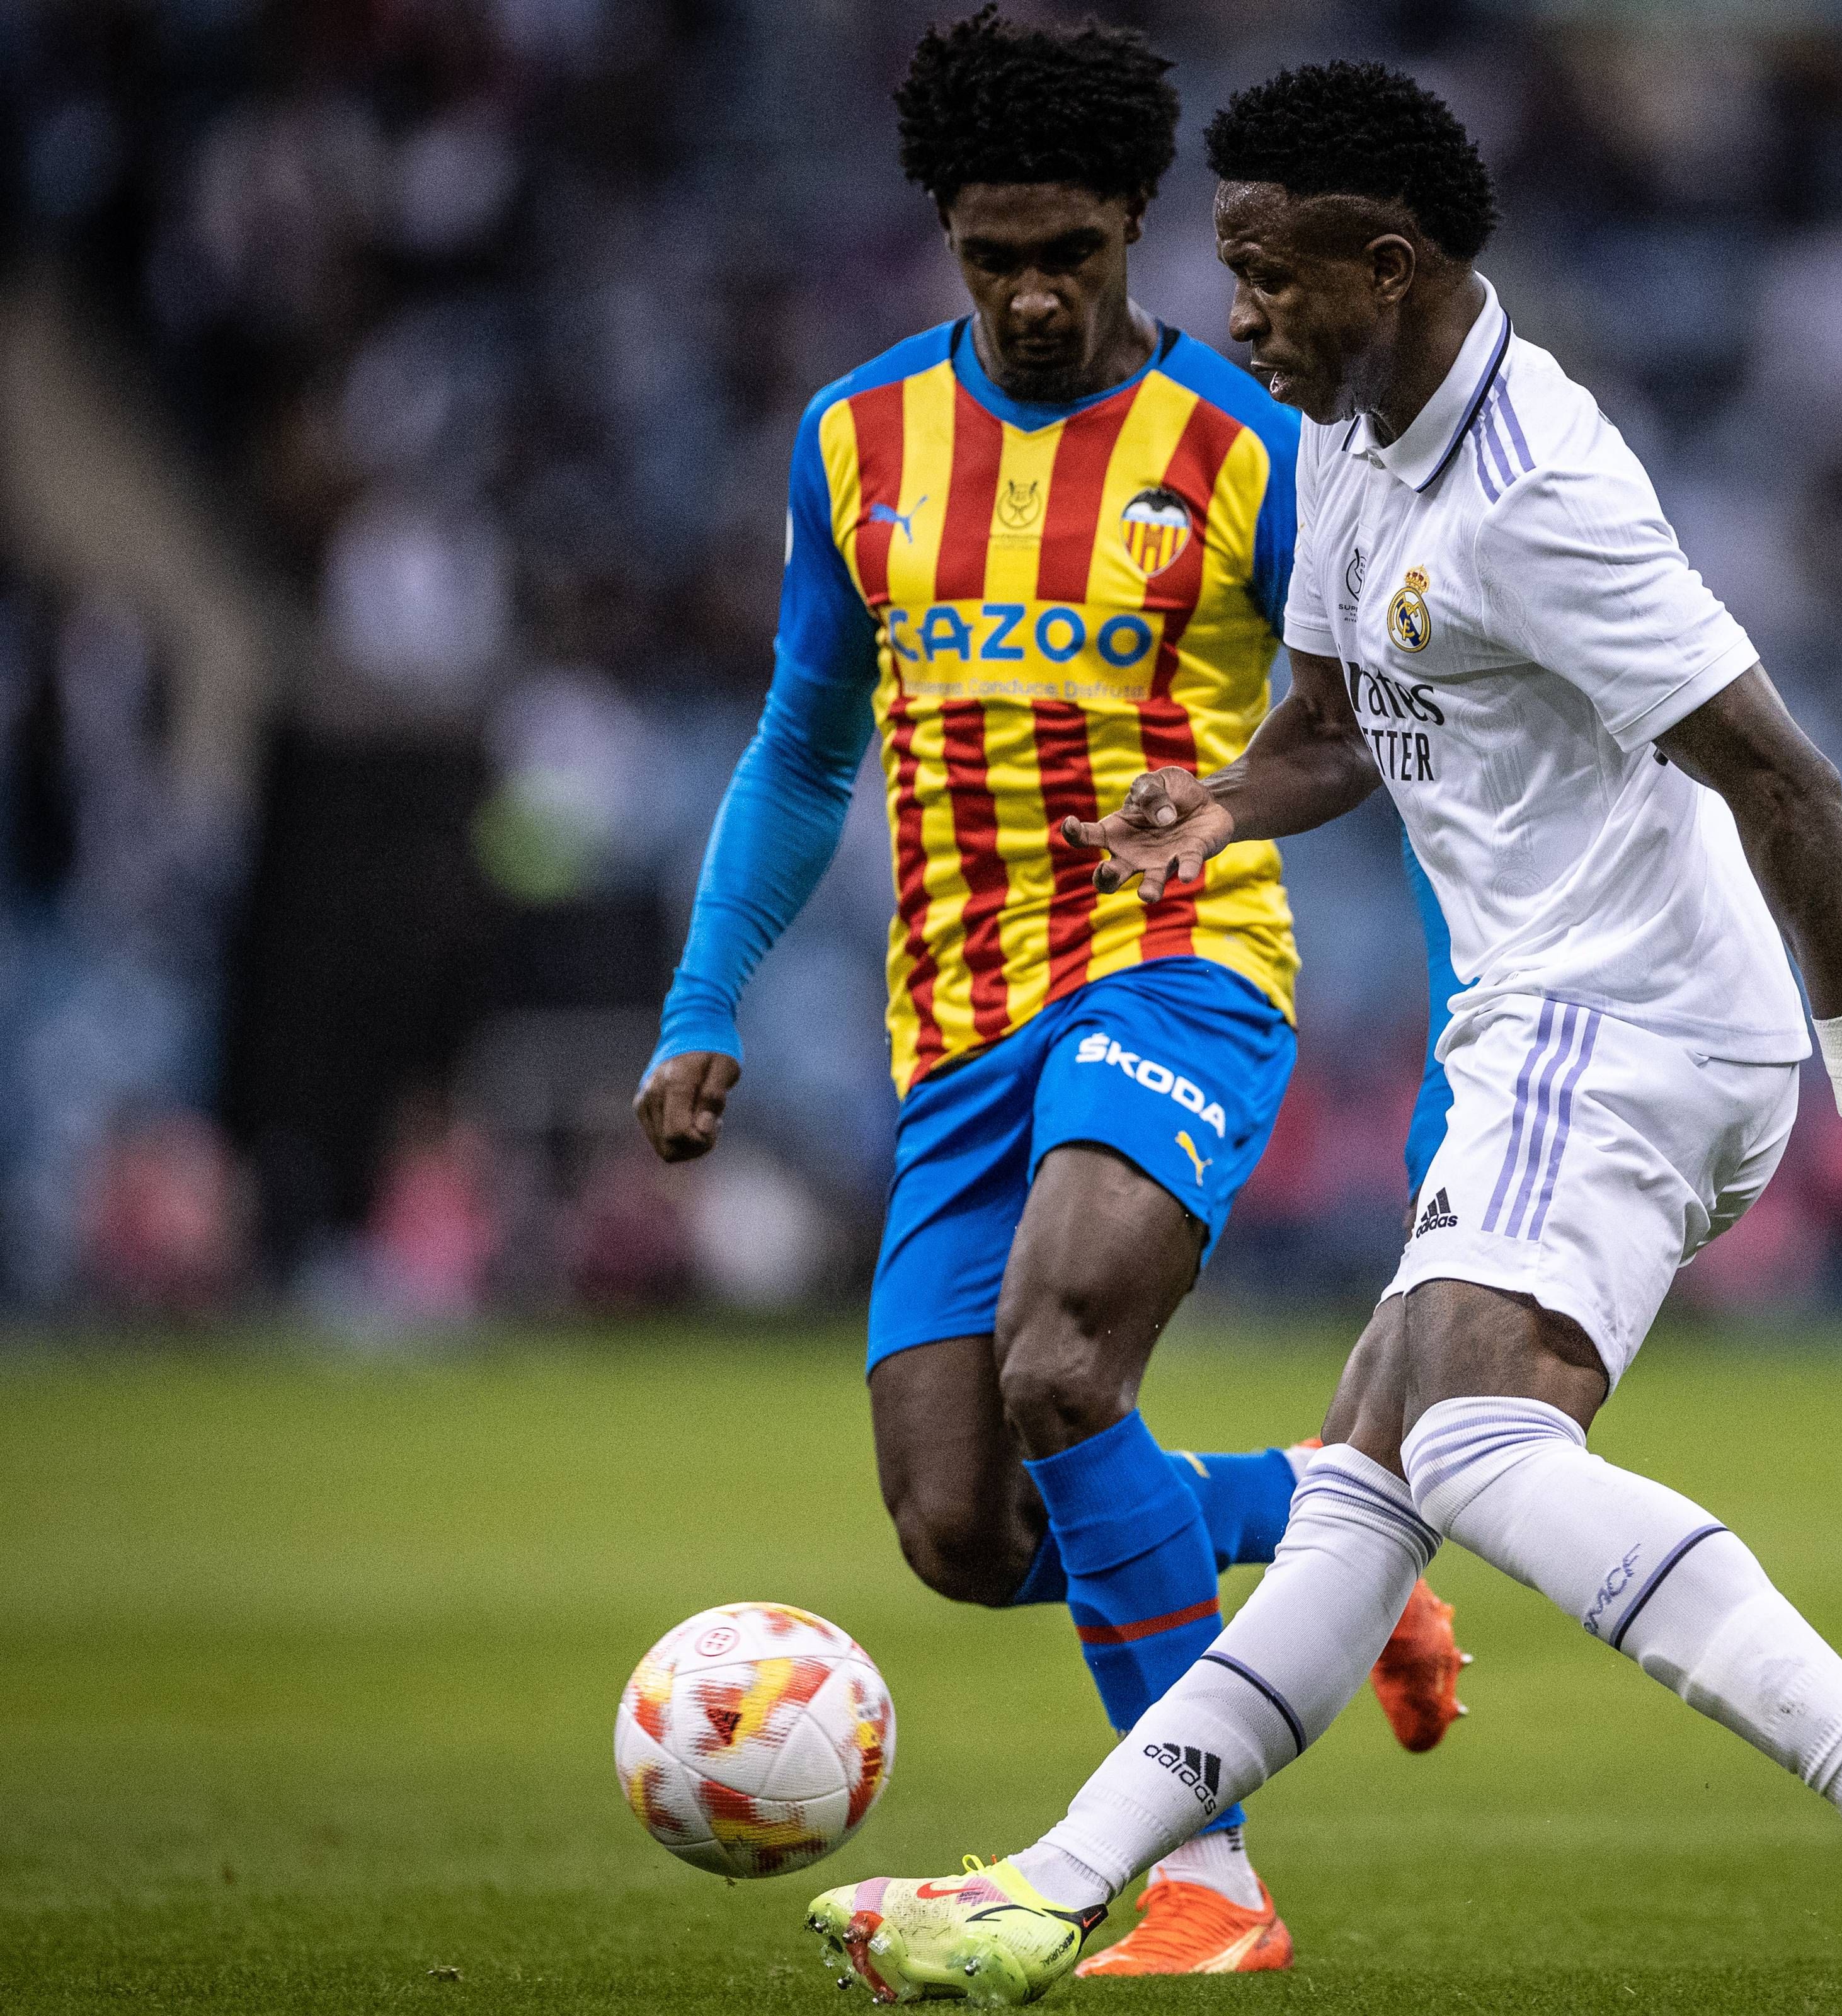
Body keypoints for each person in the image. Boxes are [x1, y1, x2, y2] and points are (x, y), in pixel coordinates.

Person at [804, 61, 1842, 2012]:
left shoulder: (1541, 493)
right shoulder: (1349, 436)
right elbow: (1322, 727)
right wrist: (1211, 805)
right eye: (1232, 273)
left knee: (1465, 1443)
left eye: (1275, 280)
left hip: (1624, 1013)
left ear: (1389, 266)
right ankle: (1060, 1895)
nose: (1242, 318)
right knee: (1364, 1485)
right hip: (1542, 1021)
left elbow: (1790, 782)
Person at [632, 13, 1460, 1969]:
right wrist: (703, 999)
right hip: (956, 1028)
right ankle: (1349, 1548)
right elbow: (803, 747)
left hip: (1178, 975)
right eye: (991, 253)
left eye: (1068, 252)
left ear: (1133, 225)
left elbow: (1393, 758)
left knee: (1064, 1364)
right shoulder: (857, 441)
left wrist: (1455, 1058)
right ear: (943, 231)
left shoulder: (1257, 449)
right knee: (962, 1528)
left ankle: (1208, 1880)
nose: (1028, 293)